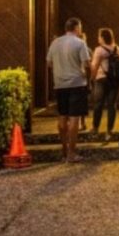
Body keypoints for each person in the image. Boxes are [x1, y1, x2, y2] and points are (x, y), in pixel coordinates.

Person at [46, 17, 91, 162]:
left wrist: (60, 70)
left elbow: (49, 63)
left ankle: (64, 151)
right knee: (74, 119)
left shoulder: (55, 42)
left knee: (62, 117)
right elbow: (87, 64)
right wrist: (87, 78)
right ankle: (72, 153)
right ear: (77, 28)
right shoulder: (80, 43)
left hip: (60, 84)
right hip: (77, 83)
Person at [90, 27, 119, 141]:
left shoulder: (99, 50)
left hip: (101, 79)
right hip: (115, 80)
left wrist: (91, 79)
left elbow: (94, 66)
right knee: (112, 105)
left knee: (98, 104)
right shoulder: (117, 48)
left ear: (103, 37)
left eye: (99, 36)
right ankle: (109, 131)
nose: (98, 38)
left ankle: (95, 128)